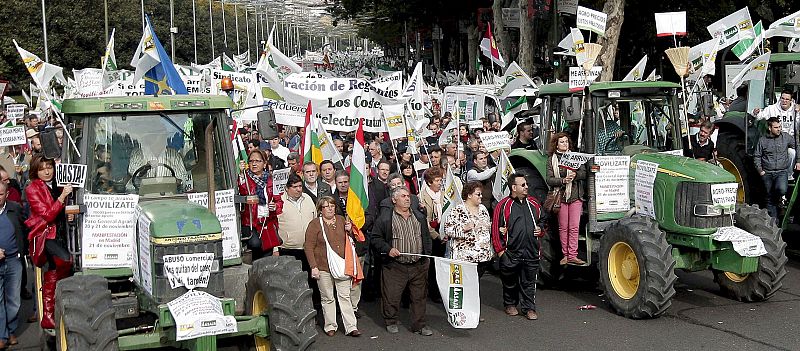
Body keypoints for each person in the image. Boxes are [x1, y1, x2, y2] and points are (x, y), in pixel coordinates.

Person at [370, 187, 434, 336]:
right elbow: (375, 238)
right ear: (394, 200)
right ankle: (391, 321)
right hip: (395, 266)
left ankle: (419, 325)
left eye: (408, 196)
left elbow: (426, 237)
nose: (407, 199)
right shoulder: (385, 218)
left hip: (418, 265)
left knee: (419, 297)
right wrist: (388, 249)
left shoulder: (419, 216)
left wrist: (427, 256)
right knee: (391, 296)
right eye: (403, 196)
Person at [24, 155, 74, 329]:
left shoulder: (59, 183)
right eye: (42, 168)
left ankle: (54, 312)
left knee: (55, 270)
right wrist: (62, 197)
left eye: (49, 167)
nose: (47, 171)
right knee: (65, 260)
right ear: (35, 171)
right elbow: (47, 215)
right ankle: (48, 313)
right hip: (47, 235)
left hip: (63, 231)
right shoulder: (32, 189)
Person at [304, 196, 363, 337]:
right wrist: (313, 266)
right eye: (326, 206)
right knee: (328, 297)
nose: (330, 208)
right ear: (320, 209)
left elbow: (351, 241)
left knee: (345, 296)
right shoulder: (315, 224)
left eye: (332, 205)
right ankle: (330, 325)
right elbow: (309, 246)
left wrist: (350, 230)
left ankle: (351, 327)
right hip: (323, 267)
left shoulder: (342, 220)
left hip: (342, 265)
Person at [491, 173, 543, 321]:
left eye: (526, 184)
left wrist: (540, 228)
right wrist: (501, 251)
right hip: (511, 253)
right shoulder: (502, 205)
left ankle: (529, 308)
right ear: (514, 187)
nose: (527, 187)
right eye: (523, 185)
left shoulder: (534, 203)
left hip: (531, 251)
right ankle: (510, 304)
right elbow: (495, 229)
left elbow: (543, 221)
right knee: (510, 282)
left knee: (529, 282)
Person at [545, 133, 586, 266]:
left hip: (575, 195)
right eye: (562, 142)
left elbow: (584, 173)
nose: (565, 144)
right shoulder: (551, 159)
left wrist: (576, 175)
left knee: (574, 227)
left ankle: (573, 255)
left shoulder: (575, 157)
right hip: (560, 196)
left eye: (566, 142)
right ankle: (565, 255)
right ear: (556, 144)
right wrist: (562, 180)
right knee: (563, 227)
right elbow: (549, 179)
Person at [442, 181, 493, 276]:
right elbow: (448, 229)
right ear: (469, 195)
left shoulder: (483, 209)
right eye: (478, 194)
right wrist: (464, 228)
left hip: (483, 257)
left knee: (476, 286)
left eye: (481, 194)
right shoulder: (458, 210)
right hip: (465, 258)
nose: (481, 196)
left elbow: (487, 226)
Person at [238, 150, 282, 261]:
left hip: (268, 221)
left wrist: (275, 206)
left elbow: (279, 201)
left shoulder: (271, 180)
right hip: (251, 222)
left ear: (265, 163)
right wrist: (242, 174)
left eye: (258, 161)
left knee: (267, 249)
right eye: (251, 161)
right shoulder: (245, 179)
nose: (254, 164)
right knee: (255, 244)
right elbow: (244, 191)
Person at [754, 117, 798, 218]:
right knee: (769, 198)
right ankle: (774, 222)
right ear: (770, 128)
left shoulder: (785, 137)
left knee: (781, 189)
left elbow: (797, 145)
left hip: (781, 171)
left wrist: (798, 160)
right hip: (767, 173)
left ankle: (780, 199)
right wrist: (760, 171)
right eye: (776, 127)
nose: (779, 129)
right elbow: (757, 156)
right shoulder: (762, 141)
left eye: (779, 127)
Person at [0, 181, 26, 348]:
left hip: (14, 260)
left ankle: (11, 331)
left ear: (7, 194)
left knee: (14, 300)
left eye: (0, 194)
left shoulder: (14, 209)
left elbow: (25, 228)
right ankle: (2, 335)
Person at [419, 167, 445, 302]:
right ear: (429, 182)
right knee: (433, 265)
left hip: (444, 232)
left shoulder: (443, 194)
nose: (440, 183)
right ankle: (433, 292)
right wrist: (437, 236)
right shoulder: (422, 196)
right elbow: (424, 221)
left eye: (441, 180)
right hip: (431, 235)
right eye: (437, 180)